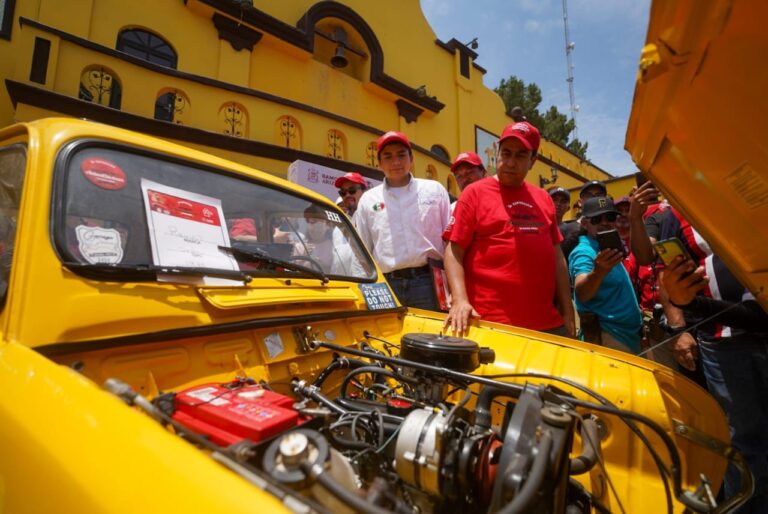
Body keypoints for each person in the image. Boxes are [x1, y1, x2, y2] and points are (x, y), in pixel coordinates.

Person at [633, 205, 768, 511]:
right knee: (745, 442)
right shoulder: (676, 215)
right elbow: (670, 275)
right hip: (725, 342)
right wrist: (680, 329)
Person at [442, 121, 575, 337]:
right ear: (497, 152)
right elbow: (453, 250)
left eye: (521, 155)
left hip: (547, 324)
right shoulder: (473, 194)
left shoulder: (543, 198)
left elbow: (557, 256)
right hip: (489, 324)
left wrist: (567, 312)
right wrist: (459, 300)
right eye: (506, 153)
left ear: (533, 161)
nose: (510, 162)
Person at [353, 131, 450, 310]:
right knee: (388, 337)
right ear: (379, 163)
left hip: (429, 283)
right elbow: (362, 250)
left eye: (401, 155)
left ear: (411, 158)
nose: (396, 162)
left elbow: (449, 241)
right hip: (387, 286)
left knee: (432, 336)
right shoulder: (368, 200)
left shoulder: (434, 191)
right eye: (388, 156)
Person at [568, 197, 643, 354]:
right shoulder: (584, 252)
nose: (605, 222)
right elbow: (581, 293)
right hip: (609, 337)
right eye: (596, 219)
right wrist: (597, 273)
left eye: (610, 217)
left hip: (627, 336)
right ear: (584, 223)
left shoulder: (606, 246)